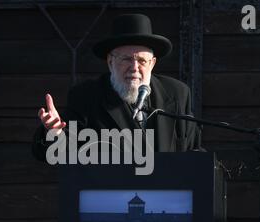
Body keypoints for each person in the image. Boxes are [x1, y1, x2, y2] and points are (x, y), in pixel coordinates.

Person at [32, 13, 202, 161]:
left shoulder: (177, 94)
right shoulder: (86, 97)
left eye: (142, 60)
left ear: (152, 63)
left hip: (167, 195)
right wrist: (54, 133)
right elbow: (59, 152)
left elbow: (194, 150)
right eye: (126, 59)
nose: (134, 67)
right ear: (110, 61)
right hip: (111, 195)